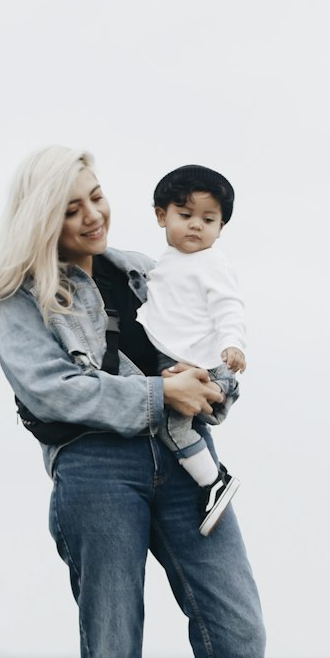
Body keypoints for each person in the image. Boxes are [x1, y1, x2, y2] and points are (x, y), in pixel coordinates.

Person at [0, 145, 291, 658]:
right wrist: (157, 392)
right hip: (95, 468)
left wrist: (212, 383)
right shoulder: (17, 298)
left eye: (96, 196)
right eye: (70, 206)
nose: (92, 215)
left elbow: (208, 350)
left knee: (240, 632)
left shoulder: (147, 271)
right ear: (40, 217)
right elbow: (51, 390)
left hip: (184, 465)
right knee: (114, 646)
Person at [137, 164, 245, 536]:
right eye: (185, 215)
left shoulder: (212, 262)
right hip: (180, 361)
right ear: (160, 216)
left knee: (171, 426)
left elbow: (229, 306)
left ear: (220, 228)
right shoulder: (168, 262)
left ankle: (214, 481)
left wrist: (233, 343)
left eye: (208, 219)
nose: (196, 225)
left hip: (202, 363)